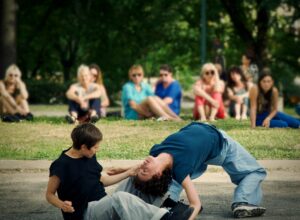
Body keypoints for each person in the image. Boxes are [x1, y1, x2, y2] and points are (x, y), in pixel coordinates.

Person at [113, 122, 267, 219]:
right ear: (157, 174)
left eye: (141, 169)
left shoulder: (155, 152)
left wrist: (123, 170)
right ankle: (243, 201)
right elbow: (196, 204)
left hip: (198, 150)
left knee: (170, 180)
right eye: (145, 171)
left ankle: (167, 203)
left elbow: (140, 170)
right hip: (220, 145)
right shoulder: (180, 170)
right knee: (255, 171)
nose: (143, 165)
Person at [46, 123, 194, 220]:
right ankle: (166, 218)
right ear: (84, 147)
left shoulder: (88, 155)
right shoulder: (61, 165)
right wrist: (61, 204)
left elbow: (101, 180)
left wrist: (129, 172)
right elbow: (49, 195)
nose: (98, 150)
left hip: (101, 203)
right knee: (119, 198)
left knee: (136, 178)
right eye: (95, 147)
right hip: (85, 214)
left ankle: (163, 209)